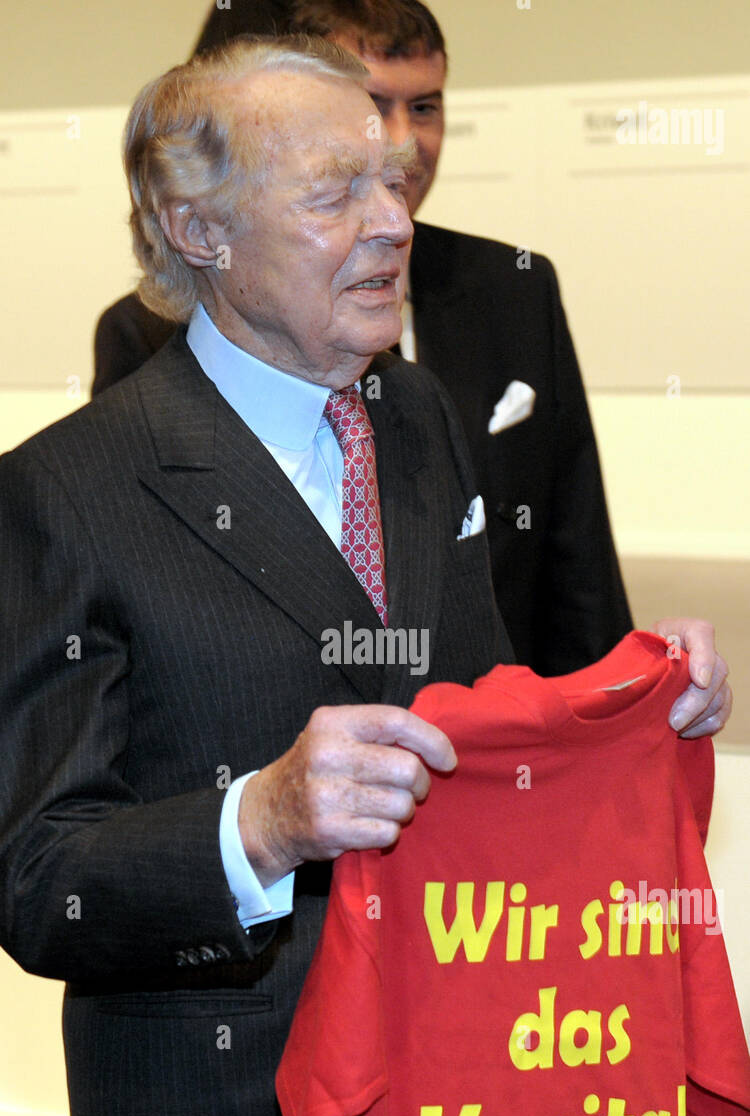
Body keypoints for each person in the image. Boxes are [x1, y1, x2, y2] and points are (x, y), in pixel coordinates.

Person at [0, 35, 512, 1116]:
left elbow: (484, 712)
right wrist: (261, 822)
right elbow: (40, 875)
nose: (395, 221)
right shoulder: (67, 492)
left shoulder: (424, 423)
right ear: (201, 229)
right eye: (337, 190)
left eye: (394, 181)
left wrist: (638, 702)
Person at [90, 1, 730, 731]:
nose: (403, 141)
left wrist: (634, 703)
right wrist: (257, 816)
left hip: (484, 788)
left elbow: (572, 574)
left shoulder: (496, 309)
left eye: (424, 106)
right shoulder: (145, 359)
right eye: (367, 107)